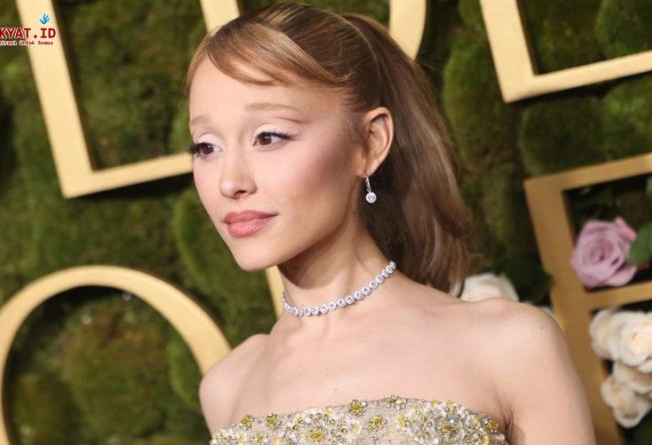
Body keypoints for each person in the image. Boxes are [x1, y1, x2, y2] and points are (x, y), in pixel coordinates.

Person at [184, 3, 596, 444]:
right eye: (206, 147)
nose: (229, 182)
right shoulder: (228, 386)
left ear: (370, 142)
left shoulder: (510, 344)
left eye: (268, 137)